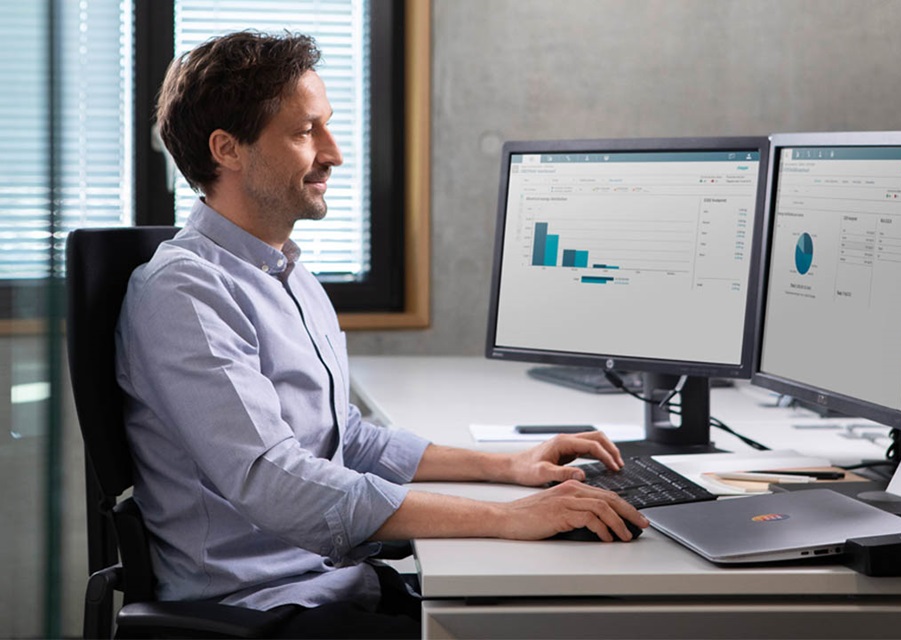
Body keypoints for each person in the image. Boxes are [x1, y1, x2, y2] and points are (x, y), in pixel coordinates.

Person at [115, 30, 647, 638]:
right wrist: (506, 519)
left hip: (340, 581)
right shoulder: (184, 292)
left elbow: (347, 437)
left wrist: (507, 469)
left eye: (327, 126)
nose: (334, 153)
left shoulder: (284, 269)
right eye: (304, 132)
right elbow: (275, 481)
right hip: (267, 608)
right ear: (227, 150)